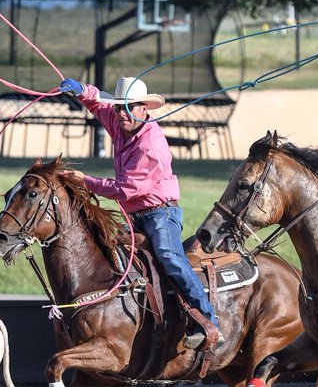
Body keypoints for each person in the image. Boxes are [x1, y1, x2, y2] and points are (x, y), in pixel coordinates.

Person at [59, 75, 222, 352]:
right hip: (134, 217)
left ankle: (207, 319)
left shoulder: (151, 145)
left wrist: (84, 181)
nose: (121, 112)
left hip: (161, 215)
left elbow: (126, 190)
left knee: (169, 257)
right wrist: (80, 91)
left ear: (144, 109)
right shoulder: (121, 122)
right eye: (120, 107)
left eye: (129, 107)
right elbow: (99, 105)